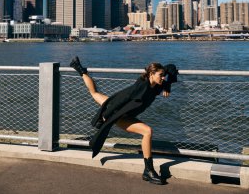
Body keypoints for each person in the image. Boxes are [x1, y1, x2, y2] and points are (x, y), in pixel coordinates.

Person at [70, 56, 178, 185]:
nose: (163, 78)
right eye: (161, 75)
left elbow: (171, 67)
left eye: (163, 75)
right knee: (147, 131)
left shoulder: (157, 85)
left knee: (94, 93)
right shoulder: (142, 87)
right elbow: (124, 99)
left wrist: (168, 85)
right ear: (151, 74)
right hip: (119, 114)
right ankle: (148, 171)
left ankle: (80, 69)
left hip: (123, 110)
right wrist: (106, 115)